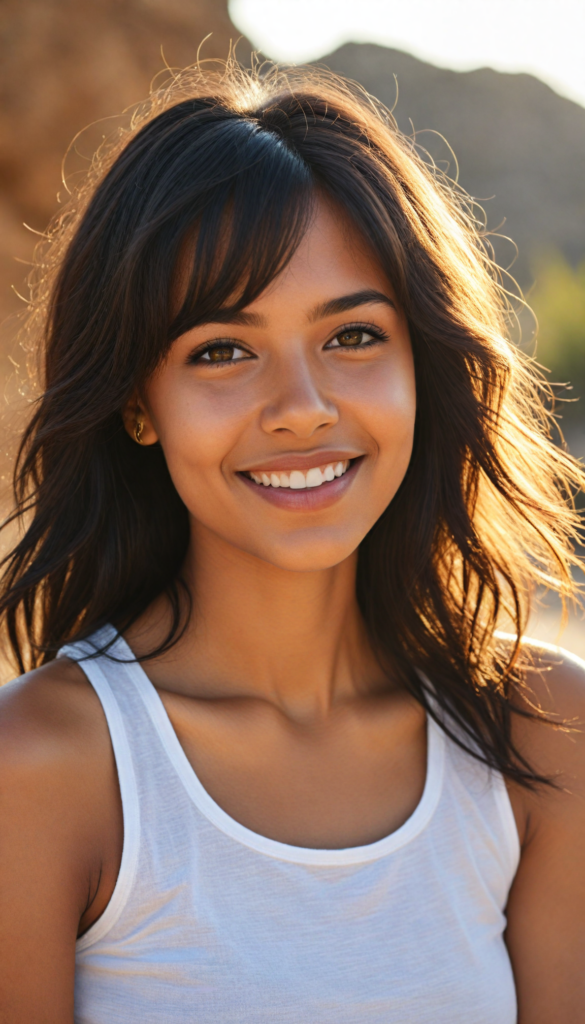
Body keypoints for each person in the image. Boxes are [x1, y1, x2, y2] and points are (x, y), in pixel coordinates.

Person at [0, 61, 584, 1024]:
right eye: (222, 351)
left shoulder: (538, 734)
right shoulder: (47, 768)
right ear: (139, 406)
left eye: (351, 337)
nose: (302, 411)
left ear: (420, 363)